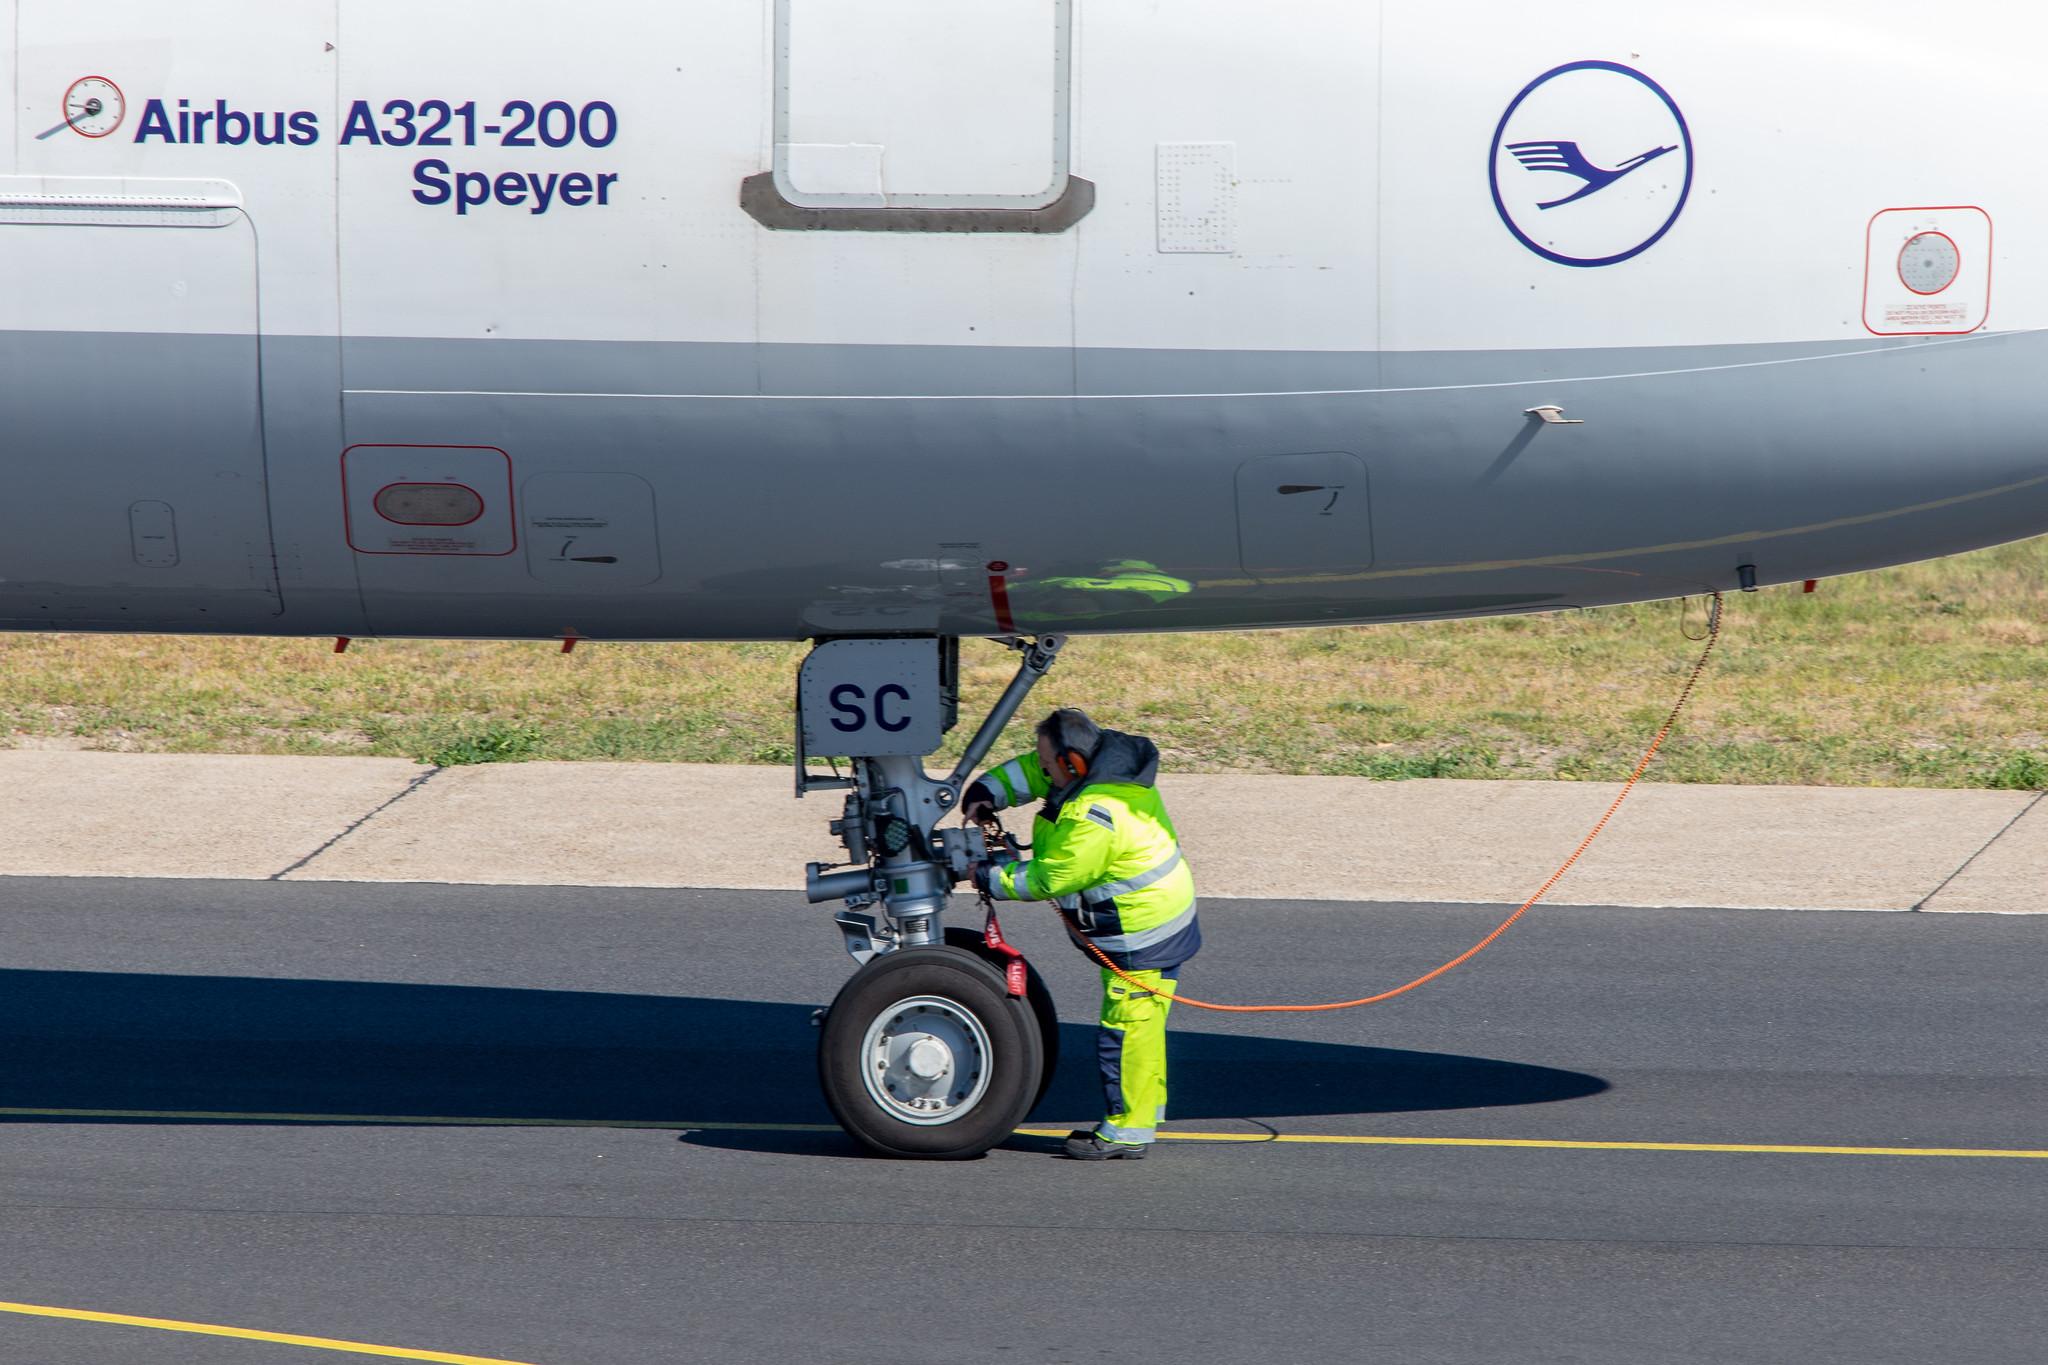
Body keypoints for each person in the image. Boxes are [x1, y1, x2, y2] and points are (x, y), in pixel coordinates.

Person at [964, 708, 1199, 1160]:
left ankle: (1126, 1134)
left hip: (1144, 931)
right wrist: (987, 790)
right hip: (1157, 914)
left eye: (1052, 766)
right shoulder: (1100, 760)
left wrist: (989, 876)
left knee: (1128, 1030)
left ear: (1073, 765)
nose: (1044, 772)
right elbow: (1034, 770)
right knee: (1144, 1026)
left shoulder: (1097, 814)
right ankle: (1143, 1112)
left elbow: (1049, 878)